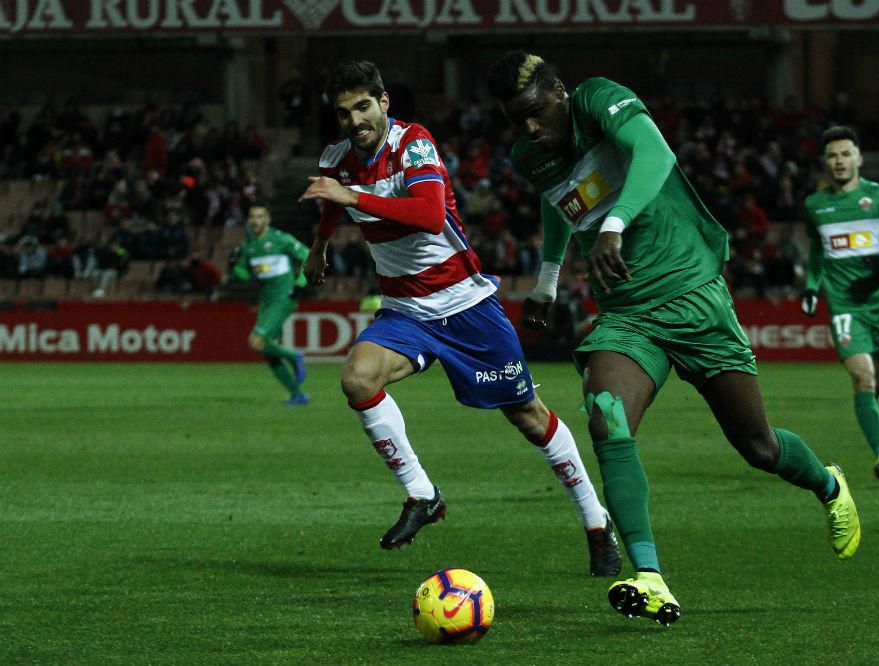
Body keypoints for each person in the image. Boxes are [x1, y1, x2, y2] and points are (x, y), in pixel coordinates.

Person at [487, 51, 860, 626]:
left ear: (559, 91)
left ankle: (828, 483)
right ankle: (649, 575)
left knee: (757, 446)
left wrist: (615, 225)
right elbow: (561, 201)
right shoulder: (530, 154)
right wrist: (548, 281)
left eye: (536, 112)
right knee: (606, 414)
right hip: (628, 314)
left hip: (693, 292)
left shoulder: (596, 99)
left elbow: (655, 151)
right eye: (518, 120)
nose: (531, 128)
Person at [298, 60, 621, 576]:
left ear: (383, 104)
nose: (354, 120)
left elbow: (428, 214)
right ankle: (422, 495)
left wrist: (350, 197)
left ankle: (596, 522)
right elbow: (332, 200)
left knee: (526, 415)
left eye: (363, 107)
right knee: (358, 378)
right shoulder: (337, 160)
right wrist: (319, 246)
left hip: (465, 305)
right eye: (343, 112)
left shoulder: (414, 144)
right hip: (406, 310)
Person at [802, 126, 879, 485]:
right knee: (862, 377)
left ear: (859, 158)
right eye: (831, 156)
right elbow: (817, 251)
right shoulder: (815, 205)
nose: (838, 162)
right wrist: (811, 287)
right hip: (843, 304)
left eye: (844, 154)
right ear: (826, 162)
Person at [229, 204, 309, 405]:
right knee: (264, 349)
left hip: (284, 297)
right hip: (266, 300)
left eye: (259, 216)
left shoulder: (281, 240)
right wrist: (233, 266)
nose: (255, 221)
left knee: (255, 342)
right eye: (252, 217)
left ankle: (294, 357)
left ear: (268, 219)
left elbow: (309, 256)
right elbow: (245, 275)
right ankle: (297, 394)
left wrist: (300, 284)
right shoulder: (248, 247)